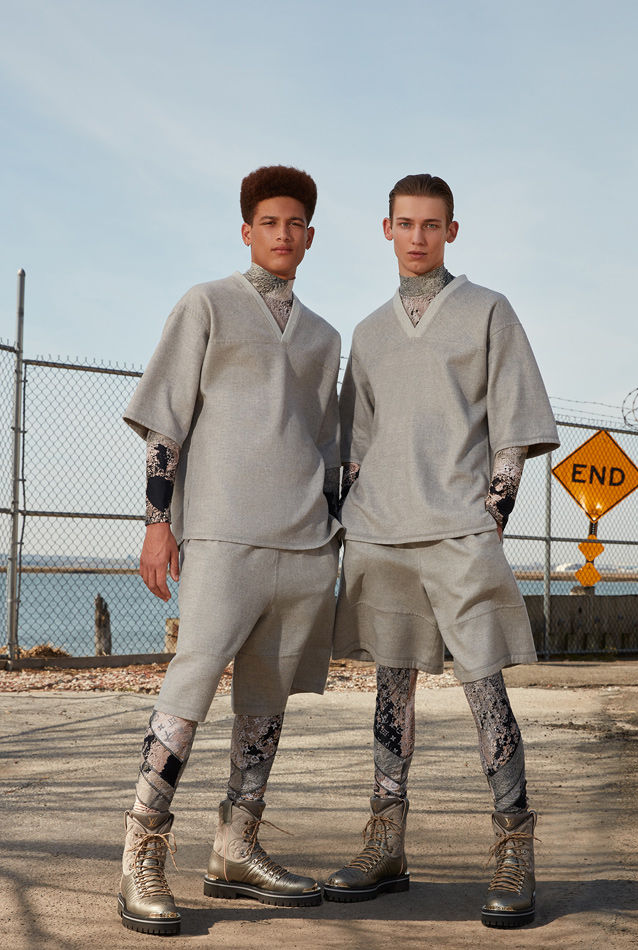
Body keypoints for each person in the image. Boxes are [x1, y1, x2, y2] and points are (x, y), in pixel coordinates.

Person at [324, 173, 559, 929]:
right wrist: (348, 517)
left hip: (460, 530)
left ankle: (514, 847)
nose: (418, 237)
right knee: (390, 691)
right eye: (406, 223)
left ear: (451, 231)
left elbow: (514, 427)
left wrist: (493, 514)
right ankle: (385, 844)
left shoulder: (489, 311)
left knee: (485, 688)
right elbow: (352, 447)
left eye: (432, 224)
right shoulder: (368, 332)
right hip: (381, 532)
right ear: (386, 229)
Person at [118, 165, 342, 936]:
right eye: (269, 222)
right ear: (247, 230)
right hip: (219, 532)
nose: (283, 234)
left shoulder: (324, 337)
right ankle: (141, 853)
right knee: (189, 687)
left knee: (264, 705)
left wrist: (333, 530)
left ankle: (236, 848)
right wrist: (157, 523)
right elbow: (166, 422)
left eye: (296, 224)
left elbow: (326, 445)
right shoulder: (206, 303)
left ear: (309, 237)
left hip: (304, 541)